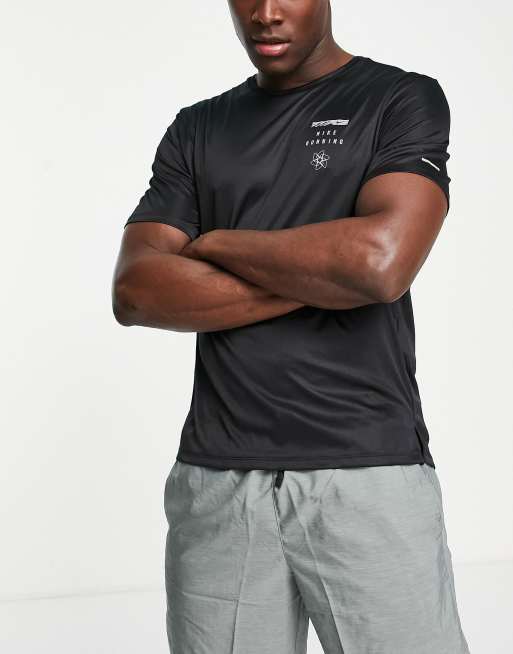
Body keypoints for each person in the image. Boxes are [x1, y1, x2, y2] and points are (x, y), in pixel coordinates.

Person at [112, 1, 471, 652]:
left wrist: (216, 242)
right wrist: (322, 278)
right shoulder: (198, 128)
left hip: (366, 472)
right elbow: (137, 291)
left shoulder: (397, 99)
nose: (265, 13)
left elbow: (379, 265)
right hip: (218, 481)